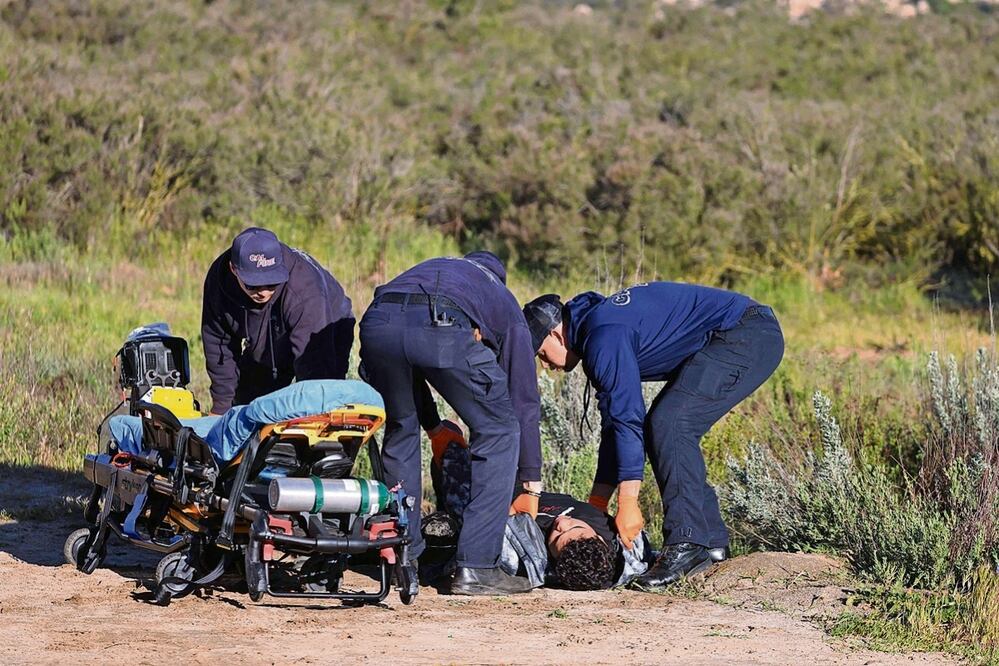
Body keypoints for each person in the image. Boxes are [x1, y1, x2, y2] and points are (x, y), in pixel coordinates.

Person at [522, 282, 784, 589]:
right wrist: (597, 504)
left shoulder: (604, 335)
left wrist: (629, 503)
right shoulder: (598, 330)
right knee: (667, 423)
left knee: (671, 423)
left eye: (540, 352)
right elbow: (615, 427)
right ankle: (711, 544)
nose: (544, 364)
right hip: (740, 333)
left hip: (745, 334)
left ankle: (688, 544)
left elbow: (628, 420)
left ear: (555, 333)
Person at [358, 251, 543, 596]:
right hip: (438, 322)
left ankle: (402, 554)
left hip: (377, 324)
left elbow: (406, 354)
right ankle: (478, 565)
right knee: (499, 430)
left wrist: (433, 427)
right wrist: (530, 483)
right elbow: (523, 400)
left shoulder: (432, 269)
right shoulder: (500, 297)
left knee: (401, 429)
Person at [201, 227, 354, 415]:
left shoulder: (304, 289)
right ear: (234, 269)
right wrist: (220, 408)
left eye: (271, 282)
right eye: (253, 284)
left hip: (326, 326)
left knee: (321, 407)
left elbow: (316, 368)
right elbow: (218, 343)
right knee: (246, 405)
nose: (263, 292)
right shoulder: (219, 279)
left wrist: (313, 418)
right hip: (267, 333)